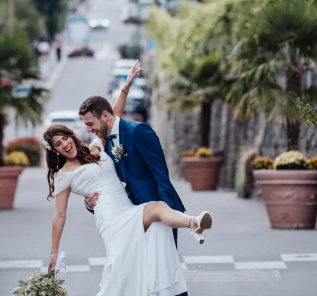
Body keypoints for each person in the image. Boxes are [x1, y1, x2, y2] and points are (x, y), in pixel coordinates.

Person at [44, 62, 212, 296]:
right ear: (55, 151)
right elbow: (59, 216)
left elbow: (113, 116)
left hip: (128, 208)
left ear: (72, 136)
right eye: (58, 145)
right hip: (110, 219)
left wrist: (126, 87)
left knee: (156, 213)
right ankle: (191, 222)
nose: (64, 146)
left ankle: (193, 223)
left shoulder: (95, 149)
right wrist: (53, 254)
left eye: (65, 139)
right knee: (123, 273)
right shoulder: (63, 175)